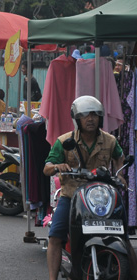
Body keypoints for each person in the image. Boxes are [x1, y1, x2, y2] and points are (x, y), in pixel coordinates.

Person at [43, 96, 125, 280]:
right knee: (55, 236)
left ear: (100, 118)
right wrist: (58, 166)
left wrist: (120, 175)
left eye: (95, 115)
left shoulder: (110, 141)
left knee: (124, 236)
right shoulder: (64, 141)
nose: (91, 119)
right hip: (72, 196)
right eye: (86, 115)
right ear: (77, 119)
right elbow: (46, 167)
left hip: (101, 197)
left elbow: (119, 157)